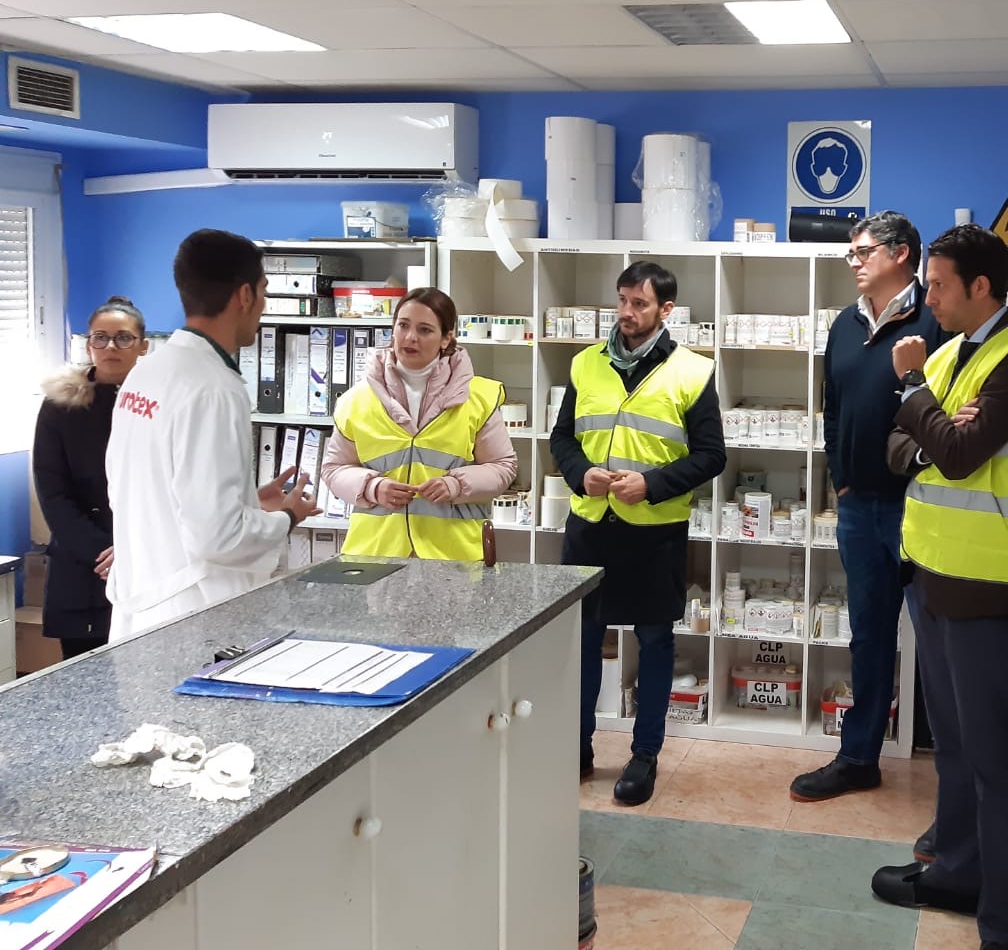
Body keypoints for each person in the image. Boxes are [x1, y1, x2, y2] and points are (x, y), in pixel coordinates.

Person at [869, 224, 1008, 950]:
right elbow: (900, 448)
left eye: (940, 285)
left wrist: (917, 395)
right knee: (950, 744)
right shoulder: (952, 354)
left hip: (987, 582)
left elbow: (956, 453)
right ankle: (955, 871)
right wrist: (935, 426)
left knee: (993, 760)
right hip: (932, 571)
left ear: (981, 286)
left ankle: (1002, 921)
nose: (929, 298)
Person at [789, 212, 947, 832]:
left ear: (902, 254)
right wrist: (841, 477)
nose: (853, 261)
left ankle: (955, 779)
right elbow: (833, 408)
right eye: (850, 254)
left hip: (920, 505)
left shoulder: (935, 320)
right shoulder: (845, 325)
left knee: (938, 641)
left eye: (863, 251)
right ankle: (858, 759)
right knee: (869, 637)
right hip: (858, 508)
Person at [552, 261, 725, 806]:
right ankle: (576, 747)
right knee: (583, 641)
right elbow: (562, 439)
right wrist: (582, 473)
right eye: (622, 301)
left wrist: (650, 485)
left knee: (654, 643)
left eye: (640, 304)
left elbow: (711, 456)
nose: (626, 312)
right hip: (589, 527)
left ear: (665, 310)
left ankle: (645, 754)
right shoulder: (586, 363)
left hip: (654, 533)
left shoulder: (693, 371)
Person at [105, 230, 320, 640]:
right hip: (194, 616)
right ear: (245, 295)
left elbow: (133, 490)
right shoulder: (214, 388)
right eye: (264, 290)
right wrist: (285, 517)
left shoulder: (146, 373)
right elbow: (218, 537)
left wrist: (248, 503)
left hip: (142, 603)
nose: (263, 305)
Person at [322, 287, 517, 558]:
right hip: (376, 553)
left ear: (446, 339)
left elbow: (503, 467)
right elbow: (334, 469)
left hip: (453, 556)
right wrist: (372, 487)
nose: (410, 337)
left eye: (425, 330)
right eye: (403, 325)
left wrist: (455, 485)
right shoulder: (356, 400)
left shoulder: (478, 398)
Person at [31, 297, 149, 658]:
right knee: (84, 679)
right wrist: (104, 552)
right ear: (88, 345)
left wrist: (132, 550)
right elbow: (53, 493)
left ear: (143, 346)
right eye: (101, 337)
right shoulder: (60, 406)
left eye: (123, 338)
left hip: (148, 560)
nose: (111, 347)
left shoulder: (161, 403)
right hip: (84, 565)